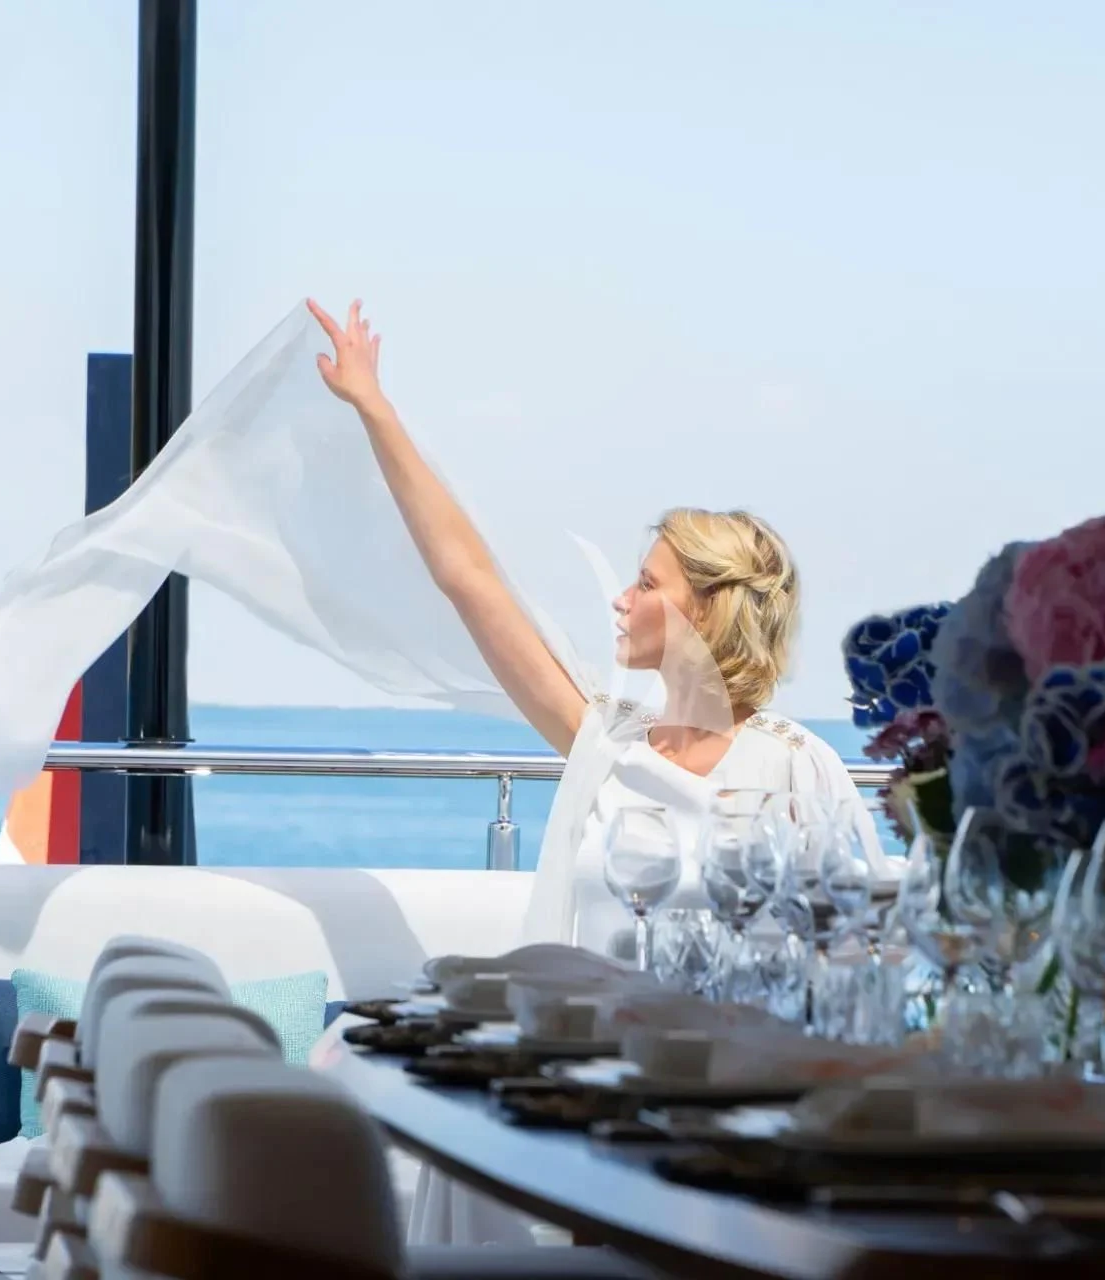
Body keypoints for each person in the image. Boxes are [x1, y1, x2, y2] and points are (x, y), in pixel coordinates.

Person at [308, 300, 884, 1246]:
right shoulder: (601, 742)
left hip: (750, 1121)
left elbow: (859, 959)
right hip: (583, 1104)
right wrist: (375, 407)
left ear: (707, 610)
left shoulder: (800, 771)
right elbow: (470, 580)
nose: (622, 598)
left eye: (649, 583)